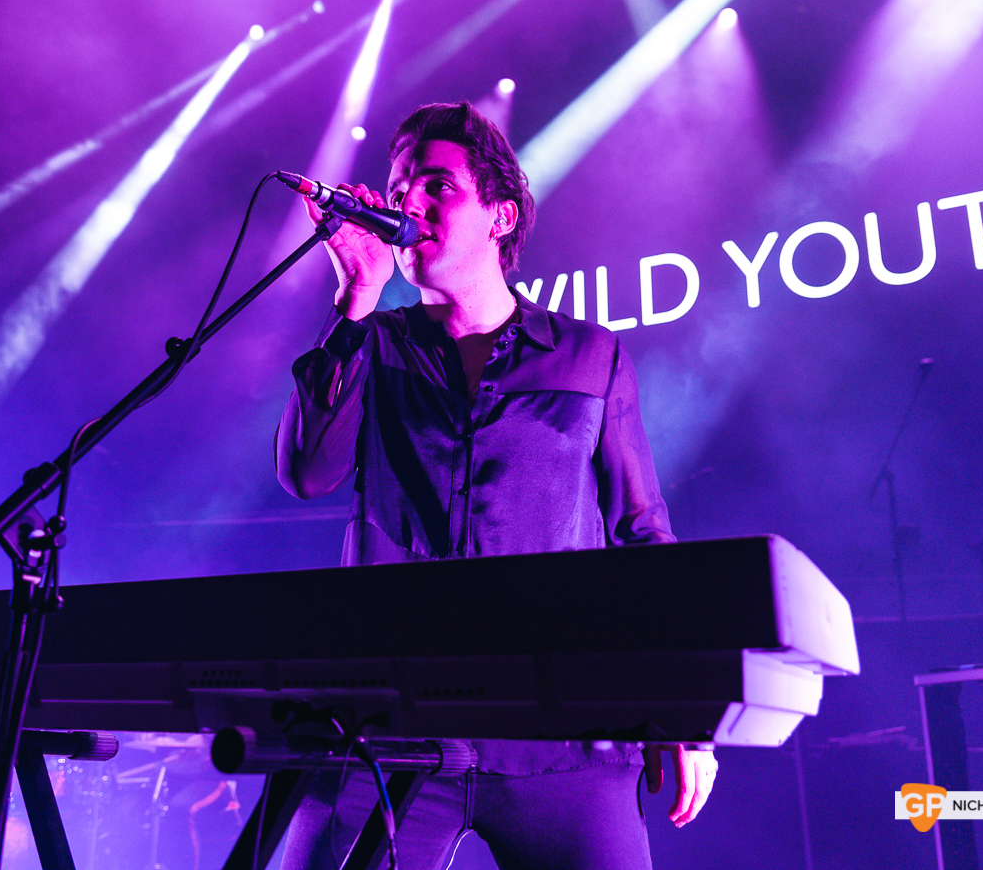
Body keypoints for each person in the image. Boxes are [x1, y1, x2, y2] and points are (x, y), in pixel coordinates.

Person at [274, 101, 716, 869]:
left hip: (565, 735)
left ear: (500, 216)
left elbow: (644, 537)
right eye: (400, 184)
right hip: (392, 731)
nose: (409, 201)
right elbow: (308, 472)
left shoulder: (586, 354)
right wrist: (356, 297)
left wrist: (681, 712)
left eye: (436, 185)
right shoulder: (373, 344)